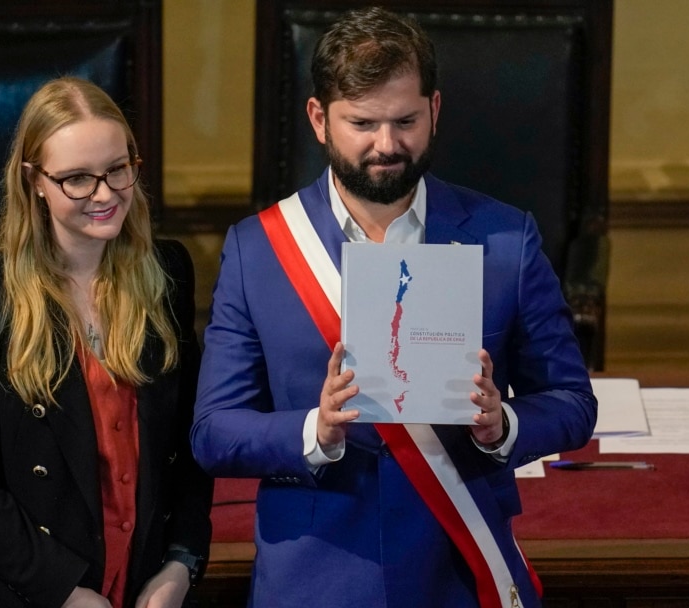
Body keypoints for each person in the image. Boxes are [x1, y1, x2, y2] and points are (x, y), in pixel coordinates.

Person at [190, 7, 596, 608]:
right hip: (315, 576)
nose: (387, 145)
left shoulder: (505, 239)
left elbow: (571, 402)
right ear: (318, 119)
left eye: (405, 120)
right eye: (363, 123)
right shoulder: (259, 249)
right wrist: (315, 428)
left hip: (458, 570)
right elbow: (213, 431)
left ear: (434, 111)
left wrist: (500, 423)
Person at [0, 76, 212, 608]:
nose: (105, 194)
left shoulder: (167, 272)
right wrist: (63, 591)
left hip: (145, 586)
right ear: (34, 180)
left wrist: (181, 562)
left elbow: (192, 445)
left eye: (118, 170)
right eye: (77, 179)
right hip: (18, 590)